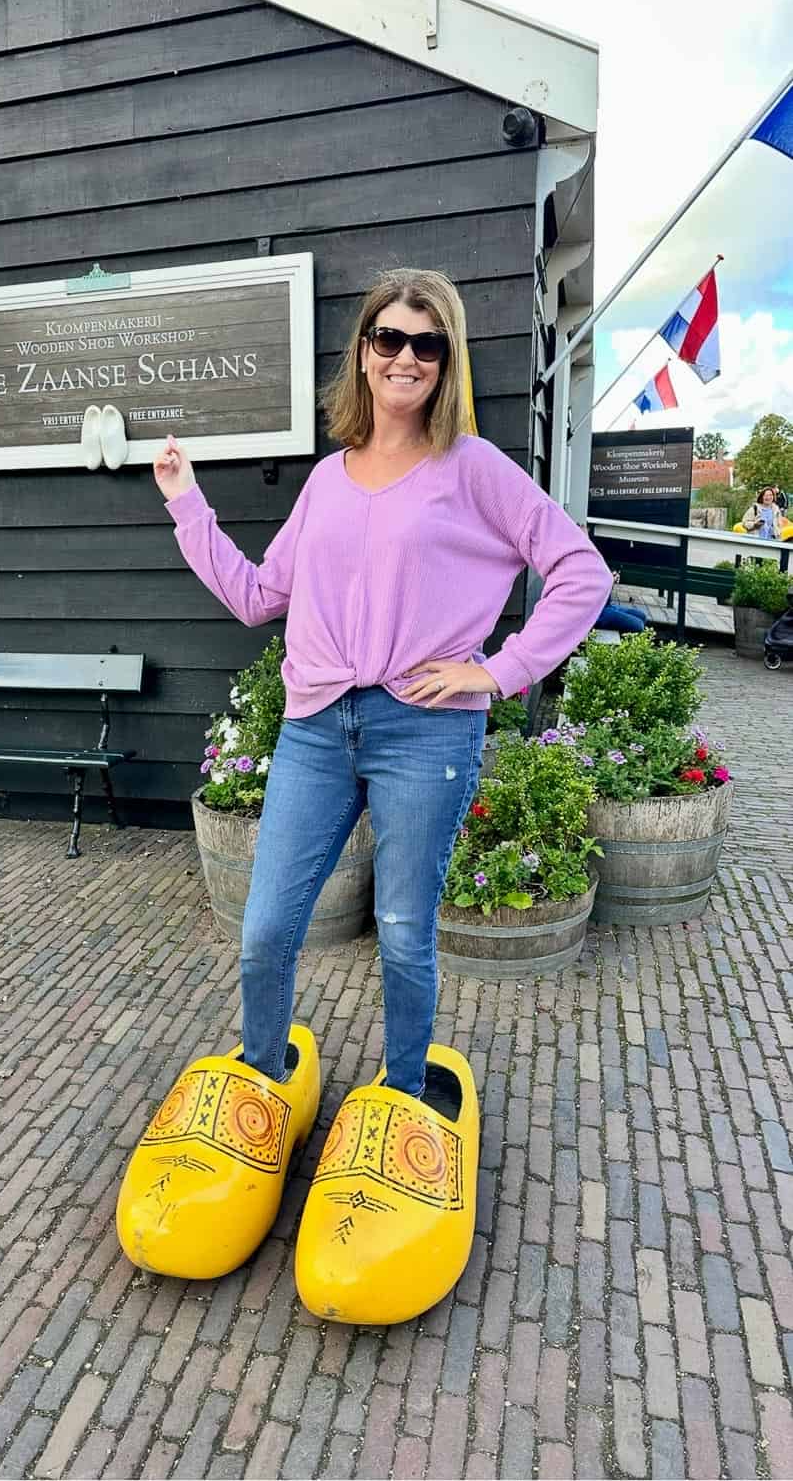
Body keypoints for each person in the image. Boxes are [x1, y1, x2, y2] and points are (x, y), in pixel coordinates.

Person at [116, 267, 612, 1322]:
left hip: (423, 727)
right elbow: (260, 596)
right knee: (264, 930)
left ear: (449, 362)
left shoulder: (473, 469)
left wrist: (499, 670)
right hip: (312, 727)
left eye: (426, 345)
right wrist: (185, 502)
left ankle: (397, 1100)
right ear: (364, 351)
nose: (404, 358)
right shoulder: (330, 478)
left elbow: (581, 573)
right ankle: (263, 1083)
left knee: (400, 931)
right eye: (389, 338)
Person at [596, 570, 651, 634]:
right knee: (639, 625)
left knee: (642, 616)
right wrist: (608, 580)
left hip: (605, 604)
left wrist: (611, 578)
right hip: (596, 612)